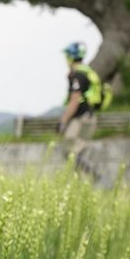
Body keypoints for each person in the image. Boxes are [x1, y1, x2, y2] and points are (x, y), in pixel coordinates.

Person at [58, 42, 101, 177]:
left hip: (81, 119)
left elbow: (74, 101)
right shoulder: (86, 72)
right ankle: (81, 181)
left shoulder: (78, 75)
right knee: (77, 153)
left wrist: (63, 122)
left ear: (70, 57)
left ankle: (95, 178)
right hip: (89, 117)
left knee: (70, 152)